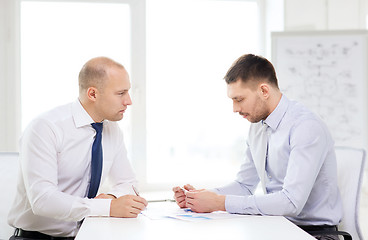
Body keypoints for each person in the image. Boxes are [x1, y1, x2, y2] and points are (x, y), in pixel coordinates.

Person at [173, 54, 343, 239]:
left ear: (264, 91)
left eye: (239, 99)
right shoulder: (257, 127)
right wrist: (201, 198)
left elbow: (291, 203)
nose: (234, 109)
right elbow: (244, 185)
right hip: (275, 225)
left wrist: (219, 203)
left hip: (314, 233)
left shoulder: (305, 127)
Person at [8, 57, 147, 240]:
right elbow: (43, 200)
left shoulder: (112, 130)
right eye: (121, 93)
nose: (128, 101)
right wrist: (108, 207)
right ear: (93, 94)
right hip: (36, 237)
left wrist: (112, 197)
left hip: (85, 235)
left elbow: (128, 183)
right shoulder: (45, 128)